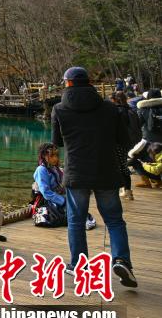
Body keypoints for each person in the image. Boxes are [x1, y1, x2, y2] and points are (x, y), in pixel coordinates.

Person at [52, 66, 137, 288]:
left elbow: (57, 142)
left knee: (76, 221)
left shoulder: (59, 109)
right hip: (106, 171)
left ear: (68, 83)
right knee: (114, 220)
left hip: (76, 173)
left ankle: (78, 266)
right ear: (89, 82)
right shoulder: (109, 108)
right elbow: (123, 139)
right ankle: (122, 260)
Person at [112, 91, 141, 199]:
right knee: (123, 165)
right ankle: (127, 190)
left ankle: (126, 190)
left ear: (114, 100)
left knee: (120, 167)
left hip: (118, 143)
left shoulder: (117, 111)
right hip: (128, 142)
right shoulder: (130, 109)